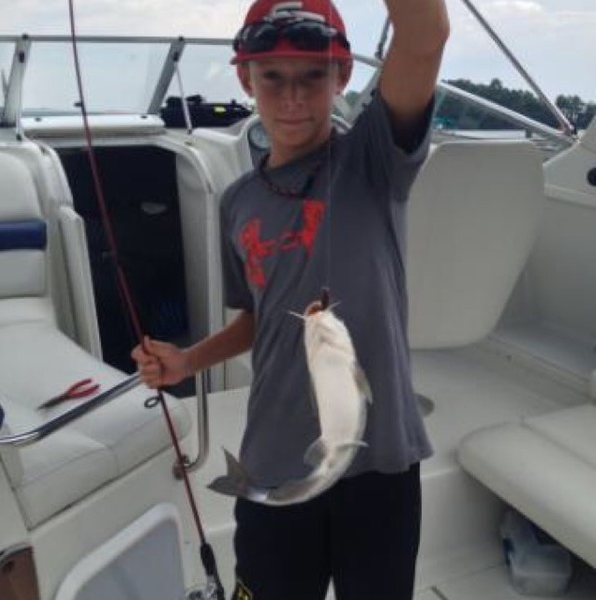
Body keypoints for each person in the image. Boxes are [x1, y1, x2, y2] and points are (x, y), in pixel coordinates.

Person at [132, 0, 449, 598]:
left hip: (378, 458)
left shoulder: (374, 159)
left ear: (343, 75)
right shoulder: (237, 202)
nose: (293, 97)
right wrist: (187, 361)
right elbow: (257, 317)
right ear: (244, 78)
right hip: (274, 457)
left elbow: (425, 35)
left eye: (312, 75)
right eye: (273, 76)